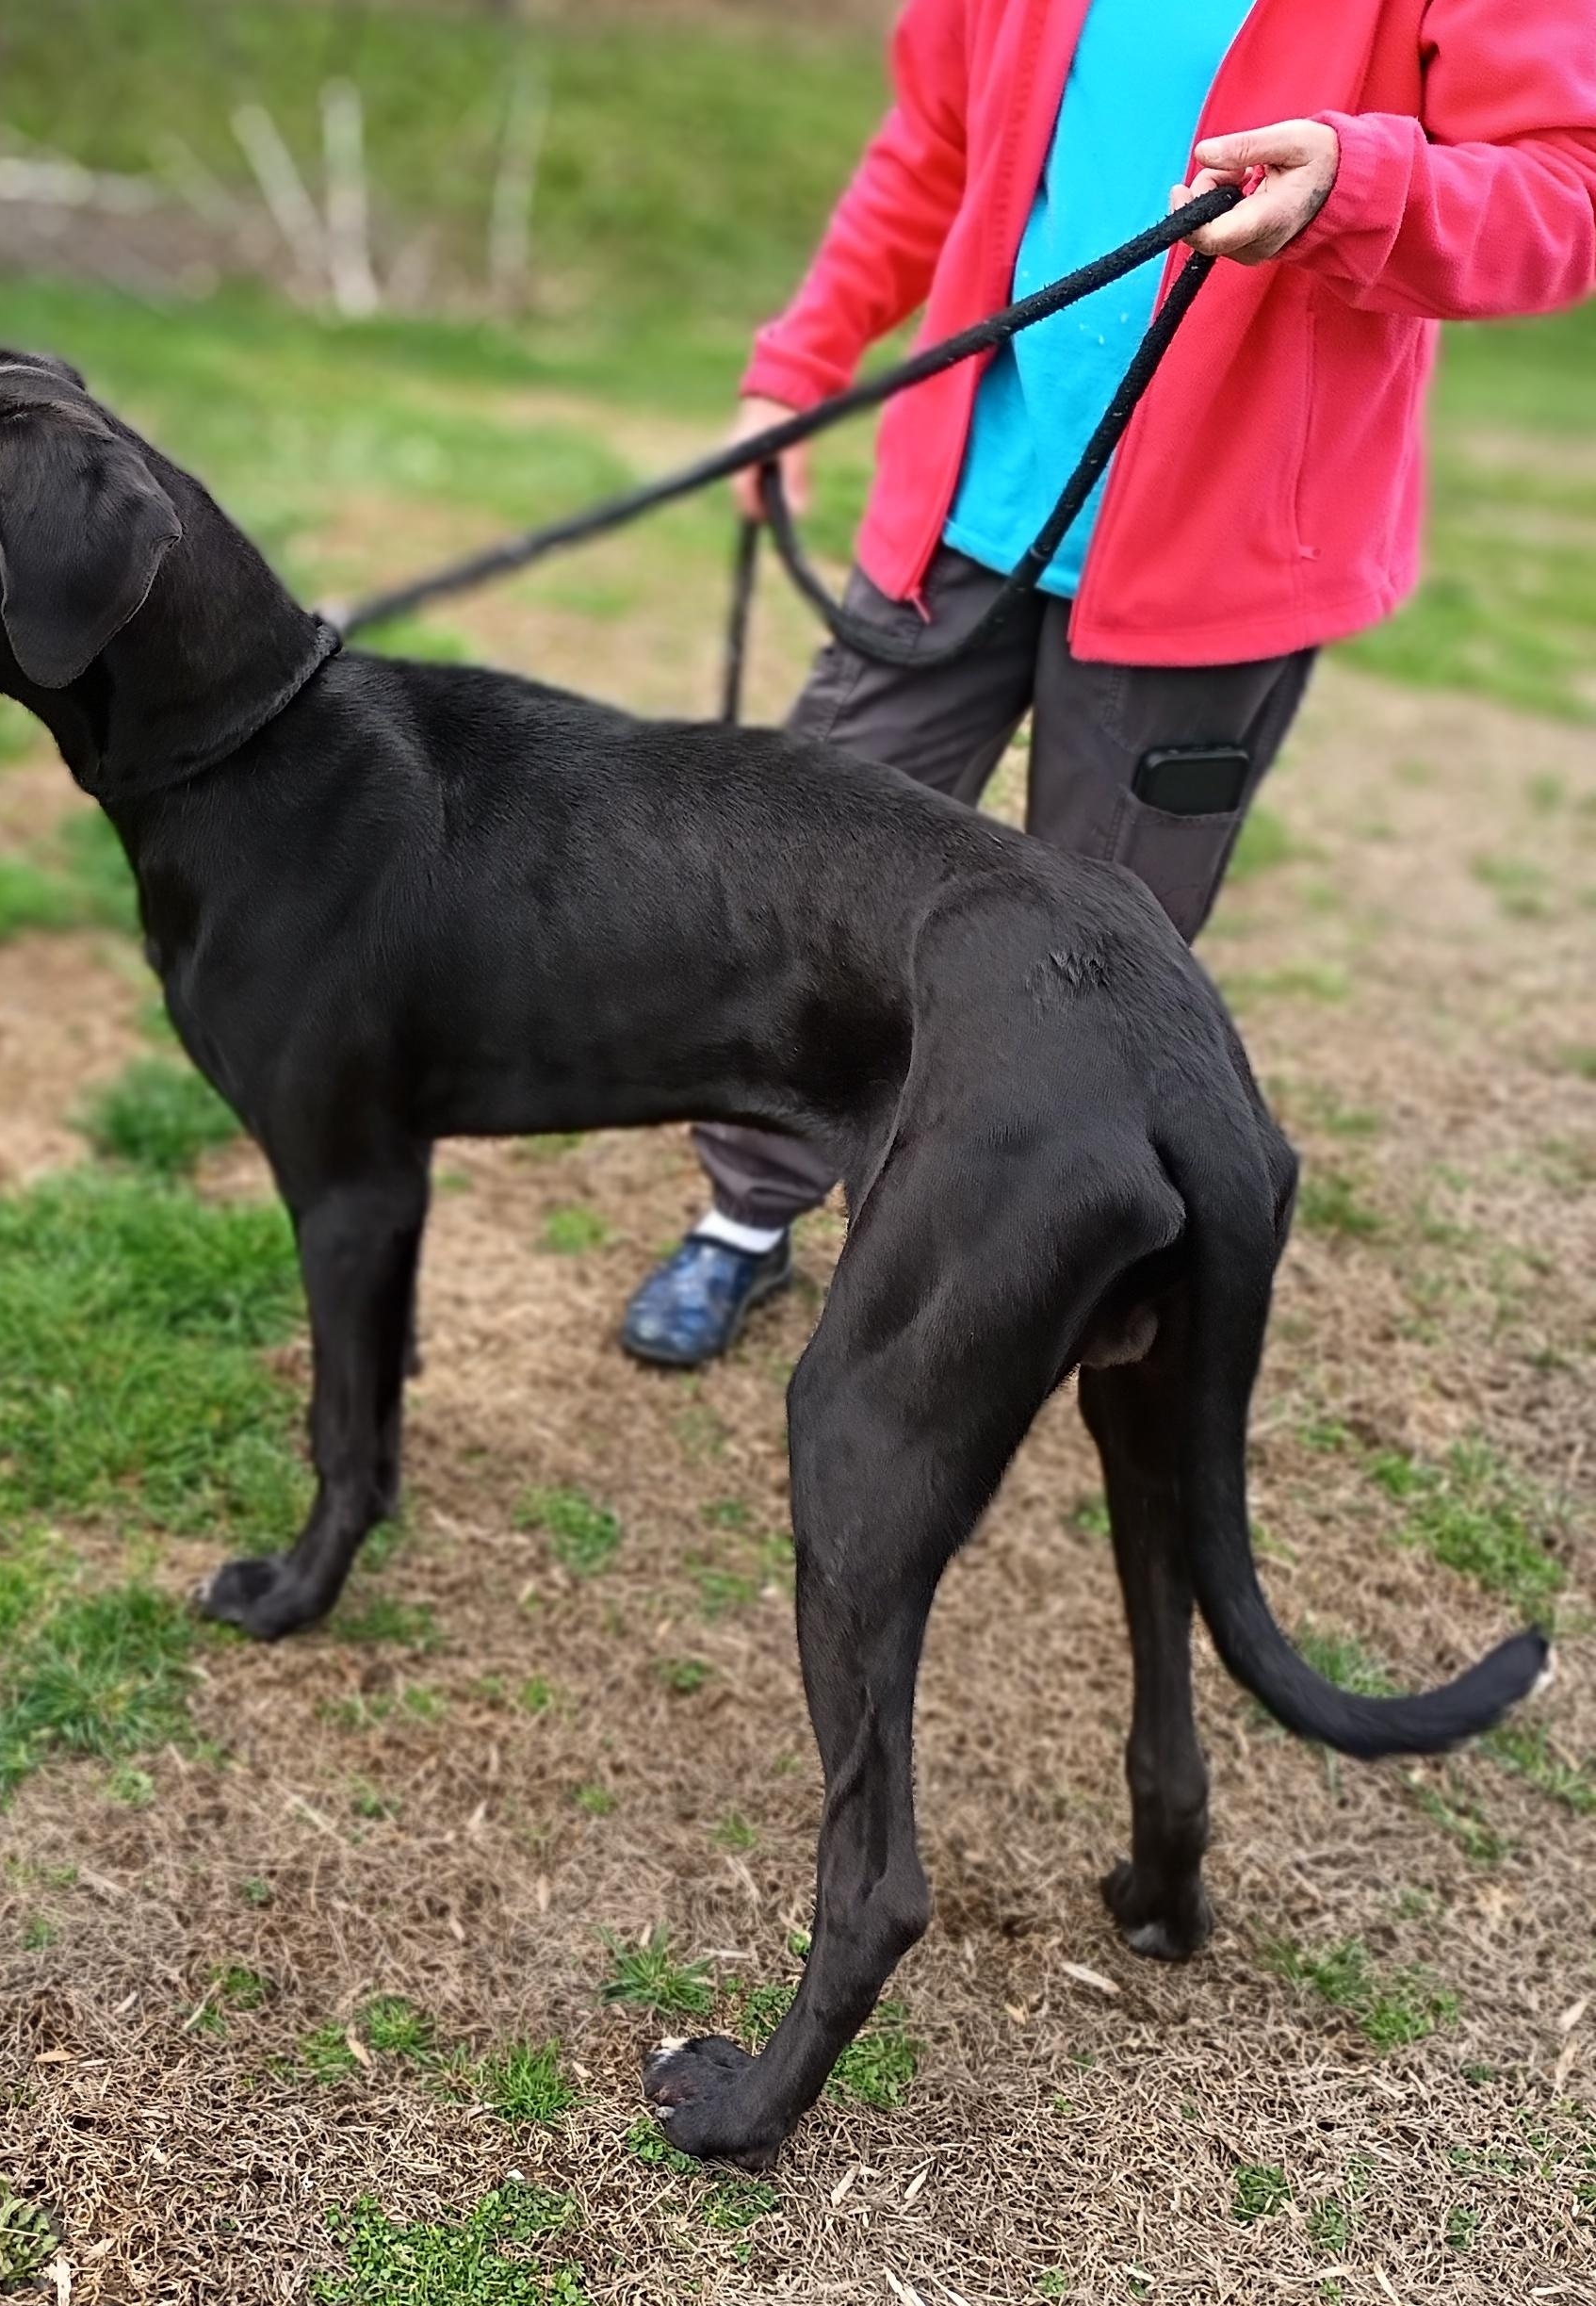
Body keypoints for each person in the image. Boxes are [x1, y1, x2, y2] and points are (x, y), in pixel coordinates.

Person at [620, 0, 1596, 1368]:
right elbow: (931, 149)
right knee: (805, 886)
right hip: (960, 514)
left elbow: (1564, 194)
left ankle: (993, 1277)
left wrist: (1362, 183)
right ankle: (745, 1219)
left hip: (1223, 571)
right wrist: (797, 366)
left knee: (1073, 972)